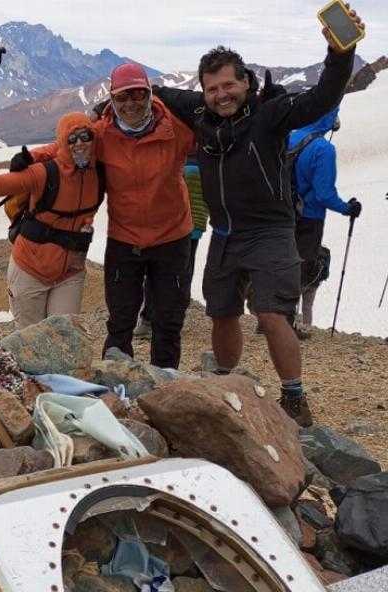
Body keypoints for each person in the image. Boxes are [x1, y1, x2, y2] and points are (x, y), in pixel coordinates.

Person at [151, 8, 364, 426]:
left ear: (246, 82)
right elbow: (162, 94)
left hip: (269, 231)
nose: (220, 94)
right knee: (222, 311)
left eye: (229, 84)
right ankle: (227, 382)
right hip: (225, 234)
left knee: (271, 313)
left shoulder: (271, 113)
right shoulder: (200, 112)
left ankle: (294, 396)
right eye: (211, 88)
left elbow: (323, 97)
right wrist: (131, 93)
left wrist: (341, 51)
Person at [13, 63, 195, 369]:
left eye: (138, 94)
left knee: (168, 321)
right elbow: (67, 146)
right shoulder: (101, 134)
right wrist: (32, 157)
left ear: (150, 94)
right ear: (111, 99)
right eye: (122, 97)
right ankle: (117, 384)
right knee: (121, 319)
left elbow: (215, 139)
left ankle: (164, 389)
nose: (131, 103)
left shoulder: (176, 129)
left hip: (172, 238)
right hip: (125, 240)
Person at [0, 112, 103, 329]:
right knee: (30, 337)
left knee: (64, 335)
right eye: (71, 139)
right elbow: (3, 183)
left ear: (94, 137)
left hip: (70, 272)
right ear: (62, 143)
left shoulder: (101, 169)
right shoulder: (45, 173)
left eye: (85, 136)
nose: (79, 143)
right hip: (30, 269)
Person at [290, 108, 362, 335]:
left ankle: (271, 320)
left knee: (283, 262)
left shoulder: (290, 136)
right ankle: (289, 324)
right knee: (302, 265)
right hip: (309, 217)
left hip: (283, 212)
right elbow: (324, 194)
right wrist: (347, 208)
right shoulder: (323, 149)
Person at [135, 154, 208, 338]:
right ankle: (167, 320)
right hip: (185, 227)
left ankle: (151, 320)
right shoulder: (204, 156)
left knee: (161, 272)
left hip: (176, 227)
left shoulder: (182, 157)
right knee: (181, 273)